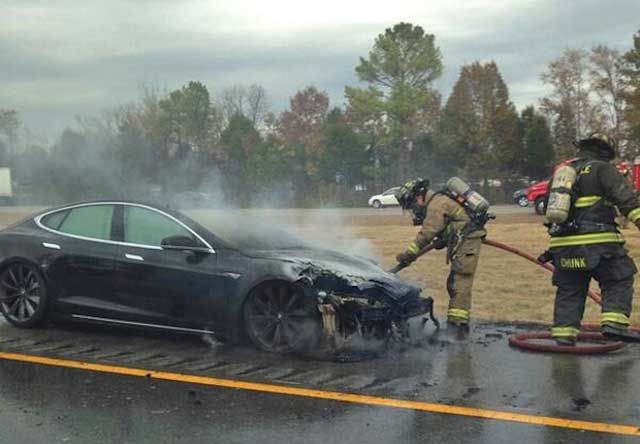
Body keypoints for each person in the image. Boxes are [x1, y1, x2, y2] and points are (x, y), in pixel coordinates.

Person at [546, 133, 640, 345]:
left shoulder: (563, 173)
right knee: (618, 277)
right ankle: (614, 324)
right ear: (606, 151)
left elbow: (548, 209)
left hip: (562, 245)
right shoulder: (603, 169)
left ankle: (563, 335)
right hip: (598, 242)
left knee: (570, 289)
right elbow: (628, 202)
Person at [394, 178, 487, 332]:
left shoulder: (436, 205)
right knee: (454, 282)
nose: (414, 210)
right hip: (463, 240)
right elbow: (451, 223)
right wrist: (445, 238)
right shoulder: (437, 201)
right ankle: (455, 322)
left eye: (412, 205)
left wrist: (409, 254)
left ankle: (458, 327)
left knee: (460, 282)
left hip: (468, 241)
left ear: (418, 197)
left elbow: (427, 233)